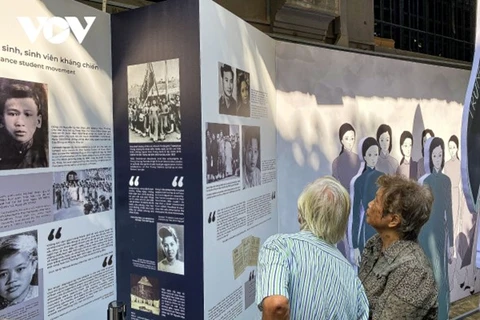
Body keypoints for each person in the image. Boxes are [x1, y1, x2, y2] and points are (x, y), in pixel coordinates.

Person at [256, 176, 369, 319]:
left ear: (301, 214)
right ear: (342, 224)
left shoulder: (279, 247)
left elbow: (276, 305)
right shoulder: (352, 278)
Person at [358, 174, 438, 319]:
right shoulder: (374, 244)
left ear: (394, 220)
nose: (370, 204)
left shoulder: (413, 271)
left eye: (376, 201)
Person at [0, 78, 48, 169]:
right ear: (1, 119)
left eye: (27, 114)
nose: (20, 122)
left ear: (38, 121)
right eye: (13, 114)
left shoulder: (45, 156)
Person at [0, 232, 39, 310]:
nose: (12, 280)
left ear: (33, 266)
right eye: (3, 274)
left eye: (20, 269)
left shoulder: (39, 293)